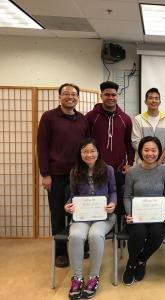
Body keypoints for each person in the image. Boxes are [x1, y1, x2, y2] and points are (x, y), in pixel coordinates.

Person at [37, 83, 90, 268]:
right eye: (66, 94)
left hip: (81, 174)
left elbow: (88, 147)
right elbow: (41, 147)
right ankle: (60, 252)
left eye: (74, 94)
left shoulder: (83, 119)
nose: (70, 97)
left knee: (81, 211)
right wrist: (45, 174)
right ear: (59, 96)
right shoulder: (48, 117)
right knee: (59, 214)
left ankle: (81, 246)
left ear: (78, 97)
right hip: (57, 175)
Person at [64, 138, 116, 300]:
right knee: (76, 236)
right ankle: (77, 278)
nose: (89, 154)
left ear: (98, 152)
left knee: (95, 235)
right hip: (82, 216)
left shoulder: (108, 170)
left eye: (92, 151)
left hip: (103, 215)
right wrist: (68, 205)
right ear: (80, 154)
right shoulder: (75, 171)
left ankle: (94, 277)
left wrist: (113, 203)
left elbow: (113, 190)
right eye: (85, 151)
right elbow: (73, 195)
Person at [85, 81, 135, 233]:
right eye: (107, 94)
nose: (110, 97)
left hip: (119, 170)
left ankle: (119, 234)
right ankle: (92, 233)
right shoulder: (90, 117)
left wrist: (130, 163)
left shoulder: (125, 119)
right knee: (97, 203)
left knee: (119, 205)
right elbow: (85, 143)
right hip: (96, 170)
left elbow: (129, 143)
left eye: (113, 95)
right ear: (101, 96)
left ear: (117, 96)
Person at [122, 136, 165, 285]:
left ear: (159, 152)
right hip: (137, 217)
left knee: (157, 233)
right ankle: (131, 264)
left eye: (154, 150)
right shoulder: (133, 172)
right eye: (146, 150)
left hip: (158, 217)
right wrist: (129, 214)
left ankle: (142, 261)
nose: (150, 153)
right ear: (140, 151)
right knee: (138, 233)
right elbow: (127, 196)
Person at [132, 87, 165, 165]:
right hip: (142, 164)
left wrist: (160, 158)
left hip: (161, 164)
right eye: (150, 98)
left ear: (159, 102)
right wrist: (148, 158)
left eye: (156, 98)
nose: (154, 101)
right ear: (145, 101)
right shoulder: (138, 119)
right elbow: (136, 142)